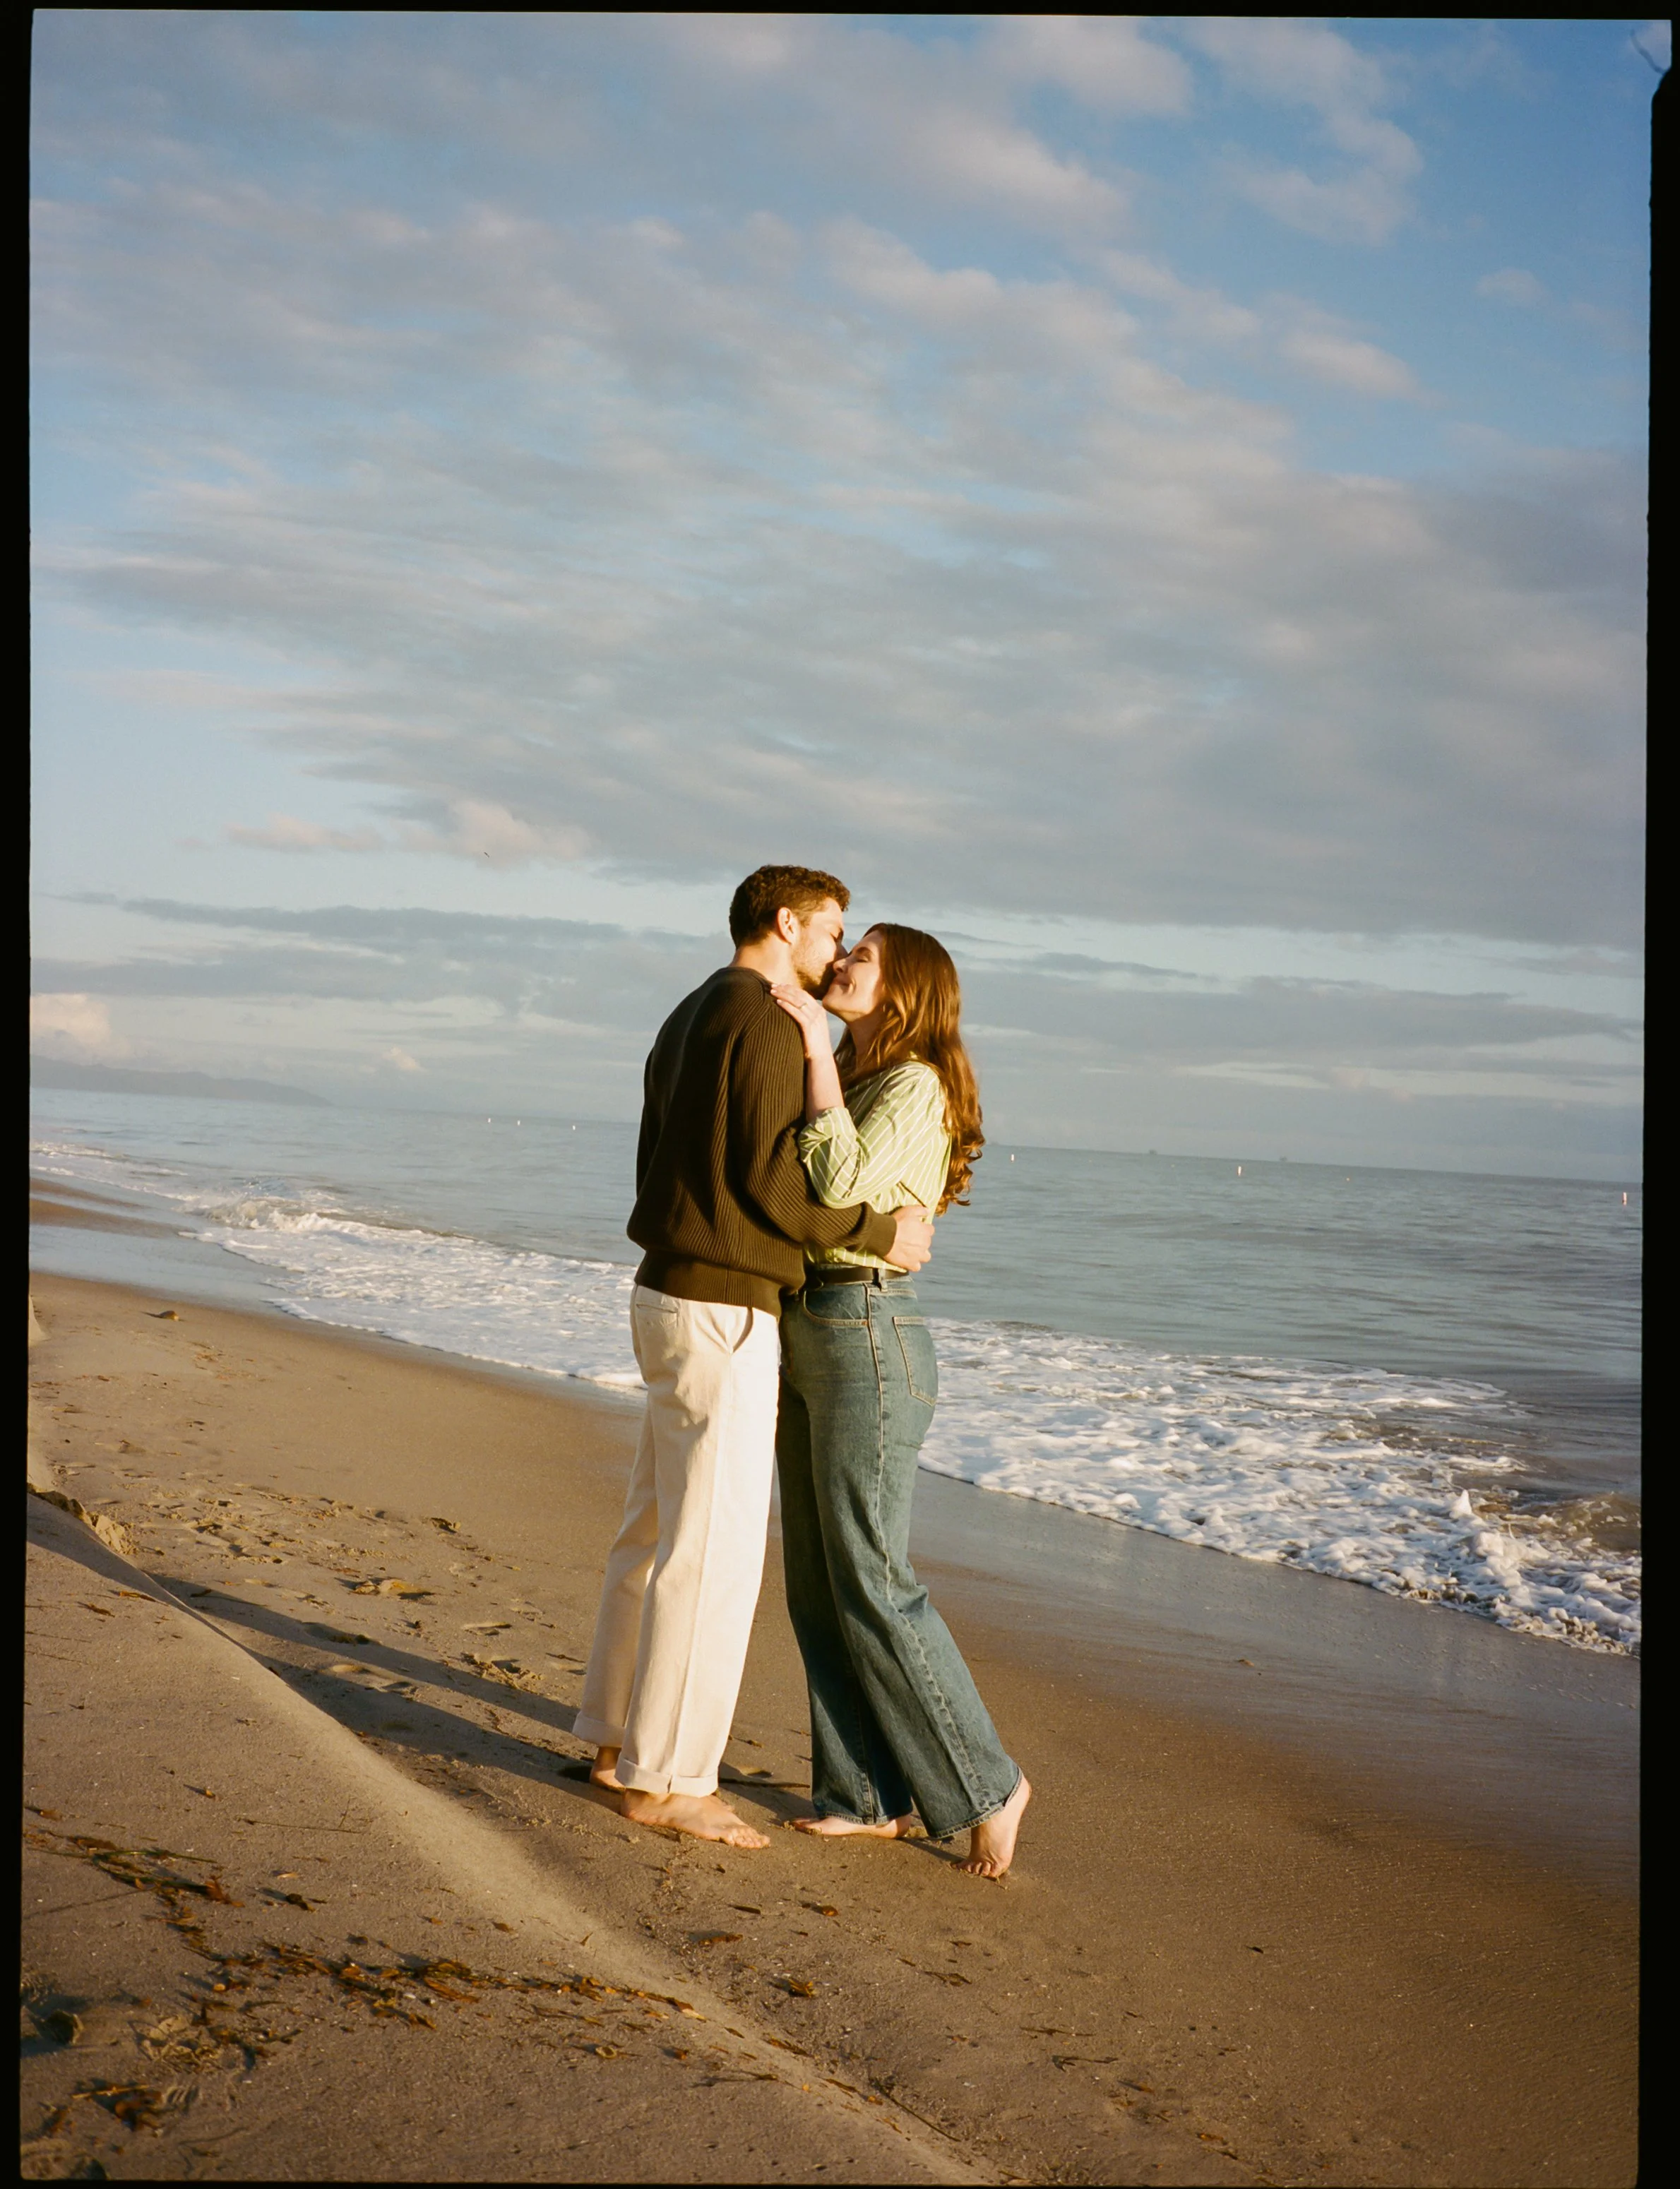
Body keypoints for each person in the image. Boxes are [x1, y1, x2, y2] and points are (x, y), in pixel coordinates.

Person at [572, 867, 935, 1849]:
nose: (837, 952)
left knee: (649, 1532)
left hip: (660, 1290)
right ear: (787, 923)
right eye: (832, 933)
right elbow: (774, 1183)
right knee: (715, 1552)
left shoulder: (690, 1011)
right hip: (723, 1307)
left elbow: (670, 1159)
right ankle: (671, 1781)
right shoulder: (769, 1022)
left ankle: (610, 1742)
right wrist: (876, 1228)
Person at [770, 924, 1031, 1879]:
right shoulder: (862, 1075)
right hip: (810, 1325)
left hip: (867, 1332)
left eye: (862, 957)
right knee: (817, 1583)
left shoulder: (913, 1083)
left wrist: (806, 1044)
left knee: (873, 1578)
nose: (840, 966)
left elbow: (836, 1180)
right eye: (845, 951)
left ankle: (988, 1783)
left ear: (906, 990)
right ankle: (865, 1796)